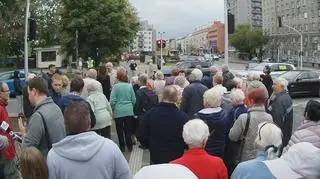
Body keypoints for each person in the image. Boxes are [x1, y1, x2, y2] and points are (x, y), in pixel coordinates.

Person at [47, 102, 132, 179]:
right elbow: (125, 176)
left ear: (65, 125)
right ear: (89, 123)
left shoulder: (54, 156)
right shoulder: (110, 147)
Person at [137, 86, 189, 164]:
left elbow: (141, 134)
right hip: (176, 156)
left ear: (162, 96)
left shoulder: (150, 114)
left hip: (156, 155)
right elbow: (188, 139)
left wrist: (150, 145)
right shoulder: (183, 117)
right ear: (176, 98)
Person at [18, 77, 66, 157]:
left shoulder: (38, 116)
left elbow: (27, 150)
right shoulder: (56, 107)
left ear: (34, 92)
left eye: (29, 94)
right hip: (59, 159)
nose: (29, 98)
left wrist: (23, 133)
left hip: (46, 163)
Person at [229, 81, 272, 162]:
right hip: (261, 156)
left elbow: (233, 137)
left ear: (251, 101)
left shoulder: (243, 118)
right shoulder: (269, 118)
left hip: (245, 157)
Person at [194, 89, 227, 157]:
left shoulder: (198, 117)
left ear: (206, 101)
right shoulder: (225, 115)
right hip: (219, 150)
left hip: (202, 151)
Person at [222, 89, 248, 175]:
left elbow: (228, 125)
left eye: (231, 99)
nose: (230, 101)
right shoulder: (246, 109)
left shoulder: (234, 111)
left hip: (233, 141)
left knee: (231, 162)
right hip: (243, 140)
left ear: (236, 100)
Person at [110, 70, 136, 152]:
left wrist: (114, 110)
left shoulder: (115, 87)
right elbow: (134, 99)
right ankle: (130, 146)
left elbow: (112, 101)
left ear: (118, 77)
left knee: (119, 130)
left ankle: (122, 146)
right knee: (128, 129)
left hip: (118, 111)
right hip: (129, 110)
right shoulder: (129, 86)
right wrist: (131, 107)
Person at [0, 82, 20, 179]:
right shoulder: (0, 108)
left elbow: (3, 124)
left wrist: (12, 133)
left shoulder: (2, 106)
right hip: (5, 151)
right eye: (6, 90)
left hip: (7, 148)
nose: (9, 92)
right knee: (12, 175)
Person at [268, 77, 293, 149]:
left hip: (278, 137)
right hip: (285, 134)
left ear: (282, 87)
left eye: (275, 84)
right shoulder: (287, 97)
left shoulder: (279, 101)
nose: (272, 86)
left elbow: (277, 121)